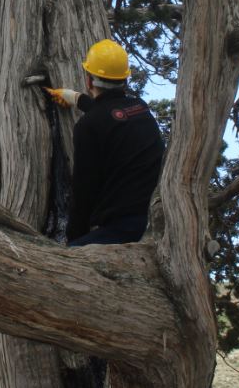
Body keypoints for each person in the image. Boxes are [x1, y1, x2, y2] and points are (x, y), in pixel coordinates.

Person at [45, 39, 164, 246]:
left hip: (123, 229)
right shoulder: (140, 108)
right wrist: (76, 98)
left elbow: (84, 191)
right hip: (157, 215)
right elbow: (113, 116)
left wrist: (75, 242)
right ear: (125, 79)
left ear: (89, 81)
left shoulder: (87, 127)